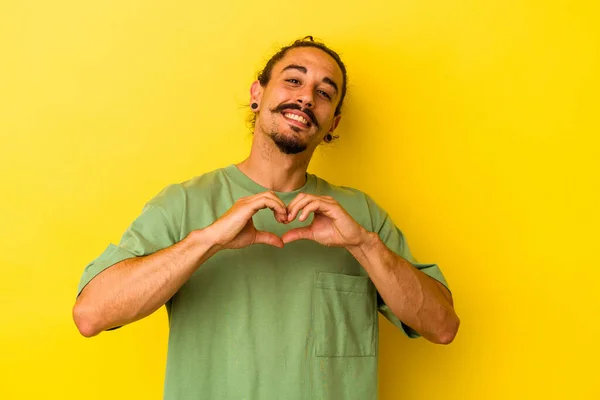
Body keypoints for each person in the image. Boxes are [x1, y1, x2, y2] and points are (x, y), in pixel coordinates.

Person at [73, 36, 460, 400]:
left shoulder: (361, 217)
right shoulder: (183, 204)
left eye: (324, 93)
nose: (306, 97)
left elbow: (443, 327)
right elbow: (91, 314)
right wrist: (208, 241)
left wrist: (362, 244)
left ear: (333, 124)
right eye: (293, 80)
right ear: (258, 94)